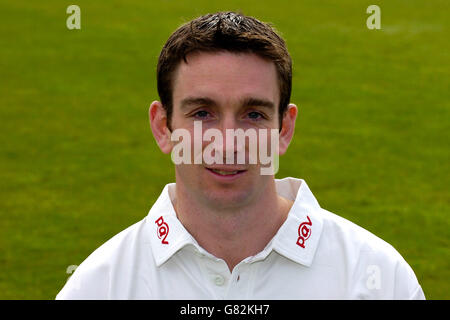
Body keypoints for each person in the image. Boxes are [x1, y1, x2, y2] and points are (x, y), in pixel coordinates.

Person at [56, 11, 425, 299]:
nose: (228, 142)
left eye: (254, 114)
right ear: (163, 127)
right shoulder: (97, 287)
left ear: (284, 129)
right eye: (202, 113)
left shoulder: (378, 279)